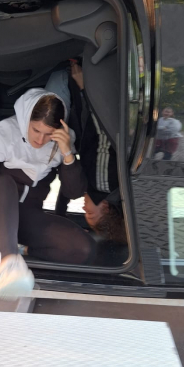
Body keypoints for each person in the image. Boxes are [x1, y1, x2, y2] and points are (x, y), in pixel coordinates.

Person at [0, 87, 95, 299]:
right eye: (36, 130)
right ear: (26, 119)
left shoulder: (63, 141)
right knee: (5, 183)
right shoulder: (4, 133)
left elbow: (73, 192)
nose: (41, 140)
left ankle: (19, 248)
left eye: (49, 134)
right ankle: (9, 265)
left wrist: (67, 153)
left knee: (83, 248)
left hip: (26, 219)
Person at [68, 61, 127, 246]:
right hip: (97, 96)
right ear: (106, 207)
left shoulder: (108, 188)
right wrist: (85, 88)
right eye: (90, 212)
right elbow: (103, 133)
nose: (84, 207)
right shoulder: (103, 183)